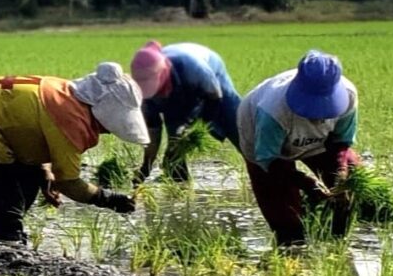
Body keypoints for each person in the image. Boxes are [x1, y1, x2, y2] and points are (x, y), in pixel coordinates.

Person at [0, 62, 147, 243]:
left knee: (27, 188)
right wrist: (109, 199)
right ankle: (5, 243)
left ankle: (3, 233)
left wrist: (44, 171)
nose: (109, 131)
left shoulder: (67, 94)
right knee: (7, 199)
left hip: (2, 119)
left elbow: (33, 127)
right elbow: (69, 183)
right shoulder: (71, 120)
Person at [236, 49, 360, 247]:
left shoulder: (348, 96)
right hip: (267, 150)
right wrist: (306, 182)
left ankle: (338, 239)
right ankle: (293, 243)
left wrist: (340, 178)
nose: (318, 116)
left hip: (318, 143)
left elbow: (340, 143)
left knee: (353, 182)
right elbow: (269, 160)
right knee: (288, 225)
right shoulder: (273, 110)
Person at [128, 40, 241, 183]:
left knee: (236, 125)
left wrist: (194, 129)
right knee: (174, 143)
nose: (154, 95)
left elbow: (214, 98)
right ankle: (179, 184)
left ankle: (260, 168)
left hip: (211, 77)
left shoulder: (192, 68)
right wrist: (146, 167)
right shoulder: (145, 97)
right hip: (177, 91)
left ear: (163, 74)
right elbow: (153, 133)